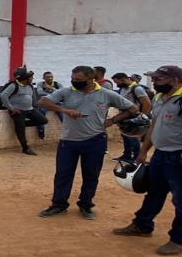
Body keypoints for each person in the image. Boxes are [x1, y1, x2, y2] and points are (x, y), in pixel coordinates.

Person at [113, 65, 182, 256]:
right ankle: (142, 225)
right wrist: (144, 151)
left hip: (179, 157)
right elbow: (153, 127)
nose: (154, 82)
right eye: (154, 79)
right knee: (154, 193)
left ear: (174, 80)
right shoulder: (158, 98)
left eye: (158, 79)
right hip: (160, 155)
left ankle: (180, 239)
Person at [37, 65, 138, 220]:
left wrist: (112, 120)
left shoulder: (106, 94)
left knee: (91, 175)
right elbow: (43, 102)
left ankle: (86, 204)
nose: (74, 82)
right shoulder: (66, 92)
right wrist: (64, 110)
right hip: (68, 140)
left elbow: (132, 108)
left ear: (91, 79)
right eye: (73, 79)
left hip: (95, 140)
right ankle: (59, 204)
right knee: (63, 174)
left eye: (79, 80)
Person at [0, 67, 49, 156]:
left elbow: (32, 97)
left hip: (29, 109)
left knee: (43, 120)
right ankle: (25, 148)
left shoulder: (30, 86)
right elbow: (3, 96)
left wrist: (35, 106)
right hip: (17, 111)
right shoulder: (13, 85)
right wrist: (11, 108)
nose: (32, 79)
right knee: (20, 130)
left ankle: (22, 125)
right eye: (31, 77)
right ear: (25, 78)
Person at [112, 72, 153, 162]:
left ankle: (136, 156)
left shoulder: (137, 89)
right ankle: (126, 155)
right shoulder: (123, 89)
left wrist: (142, 117)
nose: (117, 85)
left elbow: (147, 103)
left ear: (123, 80)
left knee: (133, 137)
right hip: (124, 116)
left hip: (134, 116)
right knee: (126, 136)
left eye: (117, 82)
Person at [36, 70, 62, 138]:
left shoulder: (57, 84)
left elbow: (62, 93)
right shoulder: (41, 84)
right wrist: (54, 94)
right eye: (47, 77)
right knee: (41, 115)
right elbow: (39, 92)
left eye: (51, 77)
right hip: (45, 103)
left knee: (63, 116)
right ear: (43, 78)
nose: (50, 78)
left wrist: (51, 88)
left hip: (56, 103)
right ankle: (41, 130)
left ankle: (67, 132)